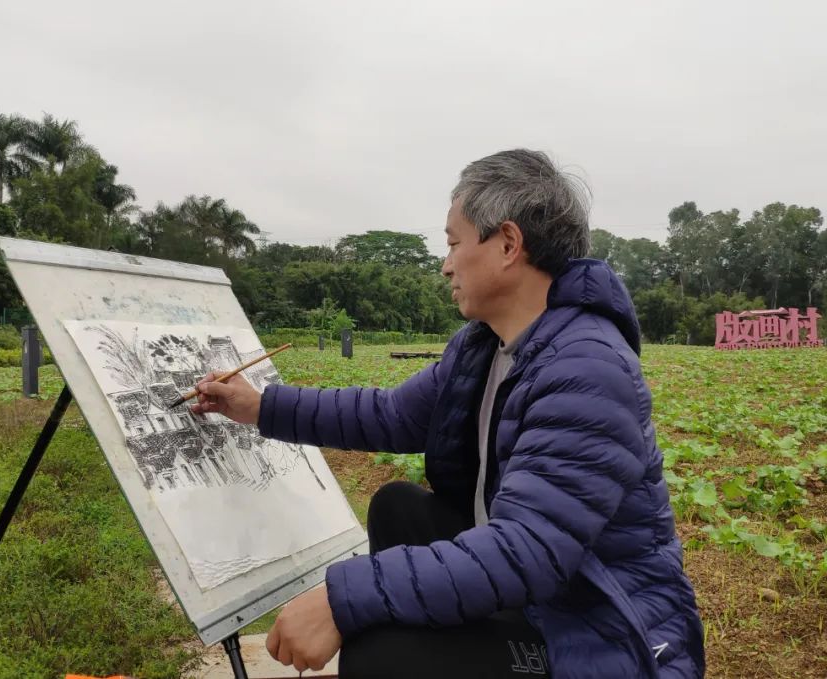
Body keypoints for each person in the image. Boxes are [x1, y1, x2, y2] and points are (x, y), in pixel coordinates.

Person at [191, 149, 705, 678]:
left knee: (385, 654)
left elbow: (525, 552)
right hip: (536, 593)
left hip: (590, 628)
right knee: (398, 506)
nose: (445, 264)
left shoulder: (587, 368)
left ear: (508, 244)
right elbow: (390, 415)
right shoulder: (485, 347)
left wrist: (343, 599)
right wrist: (260, 407)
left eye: (455, 243)